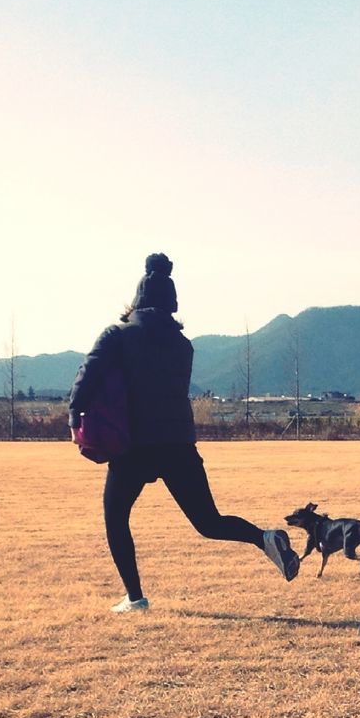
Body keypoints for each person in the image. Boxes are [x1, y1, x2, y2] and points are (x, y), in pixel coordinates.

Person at [69, 252, 299, 612]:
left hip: (134, 447)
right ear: (172, 303)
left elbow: (90, 371)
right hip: (179, 445)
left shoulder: (119, 334)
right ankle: (264, 538)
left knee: (116, 518)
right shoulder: (182, 345)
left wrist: (74, 414)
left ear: (137, 298)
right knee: (208, 521)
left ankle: (135, 598)